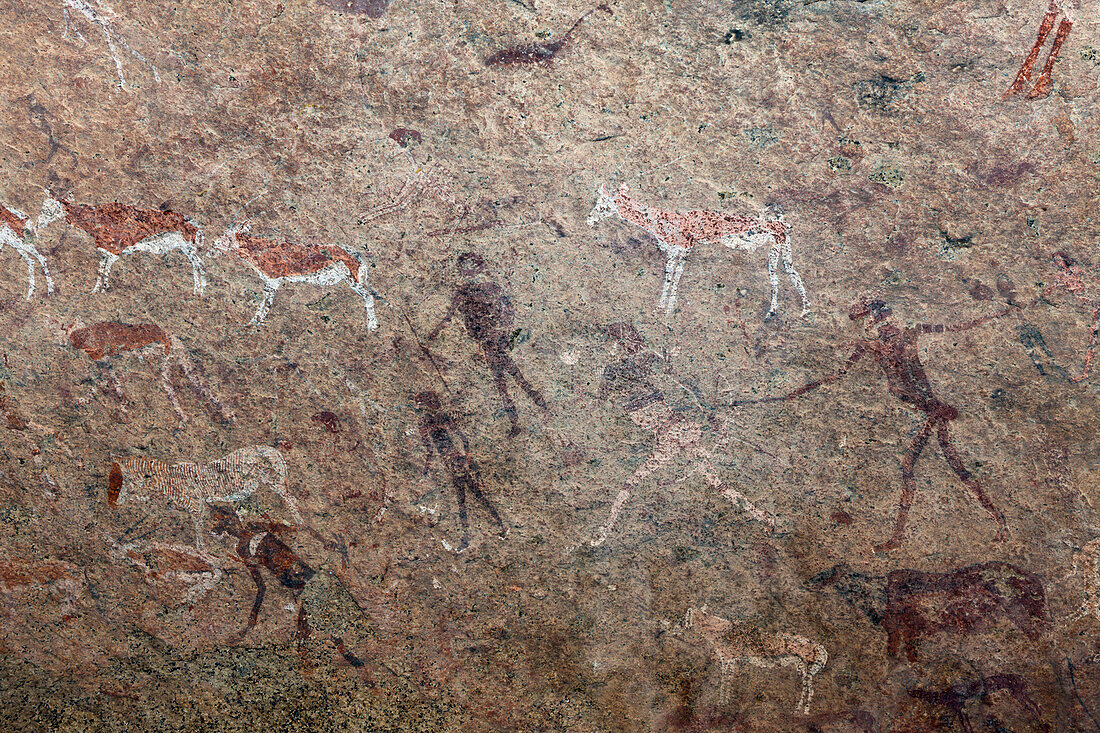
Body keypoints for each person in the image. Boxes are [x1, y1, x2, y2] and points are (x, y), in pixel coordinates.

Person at [735, 297, 1011, 551]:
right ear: (873, 324)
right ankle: (981, 523)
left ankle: (908, 536)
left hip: (932, 410)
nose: (886, 328)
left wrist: (997, 313)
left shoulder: (908, 335)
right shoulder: (874, 346)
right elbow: (838, 374)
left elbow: (960, 326)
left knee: (934, 468)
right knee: (939, 467)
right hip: (931, 410)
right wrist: (797, 392)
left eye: (886, 321)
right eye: (879, 323)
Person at [427, 252, 547, 437]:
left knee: (505, 381)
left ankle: (525, 416)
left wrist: (503, 330)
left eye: (471, 267)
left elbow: (508, 310)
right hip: (488, 340)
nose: (468, 271)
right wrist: (436, 331)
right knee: (511, 377)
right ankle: (535, 408)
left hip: (492, 340)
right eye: (464, 268)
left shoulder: (485, 288)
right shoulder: (467, 290)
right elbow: (450, 315)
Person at [415, 390, 506, 552]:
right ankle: (497, 525)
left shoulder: (433, 420)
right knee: (469, 498)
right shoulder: (428, 421)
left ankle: (473, 535)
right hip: (453, 464)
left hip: (456, 464)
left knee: (466, 500)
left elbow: (460, 439)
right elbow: (454, 442)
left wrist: (467, 458)